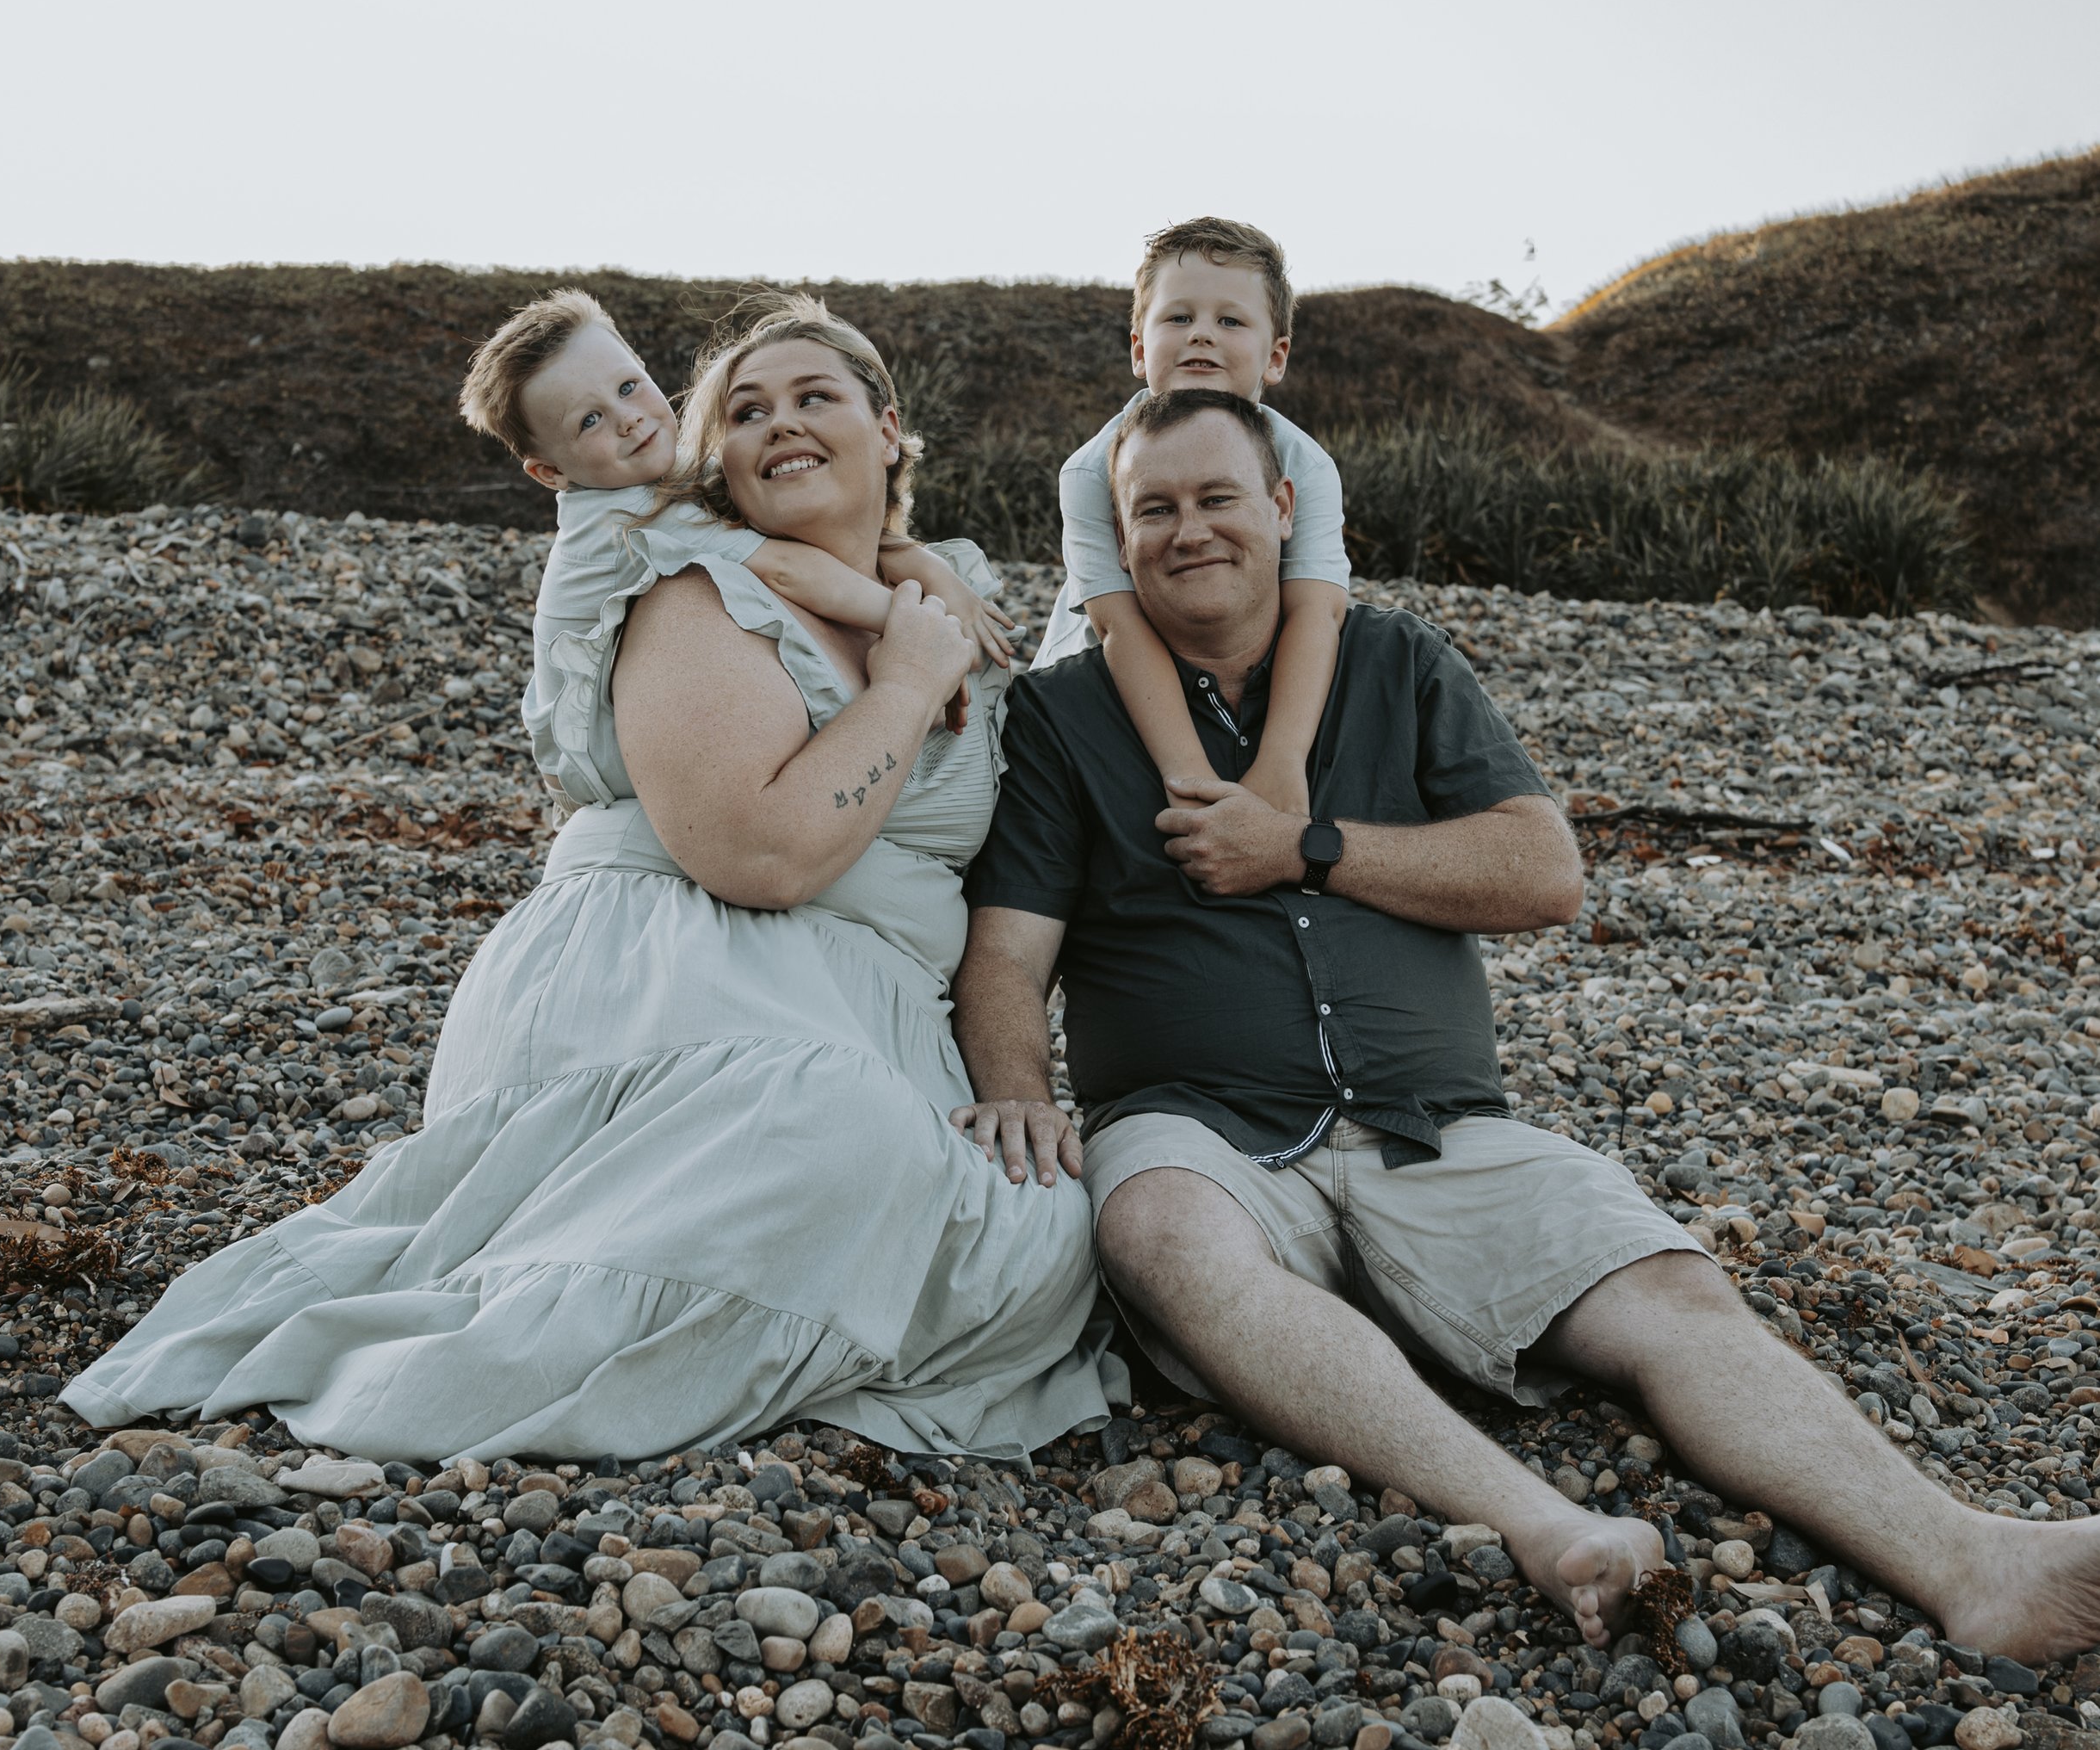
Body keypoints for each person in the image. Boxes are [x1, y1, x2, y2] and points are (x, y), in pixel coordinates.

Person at [952, 382, 2100, 1660]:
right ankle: (1542, 1522)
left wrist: (1310, 847)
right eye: (1153, 509)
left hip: (1433, 1128)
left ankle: (1973, 1557)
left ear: (1281, 508)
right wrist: (1016, 1085)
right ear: (1118, 534)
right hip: (1199, 1129)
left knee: (1668, 1287)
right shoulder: (1062, 717)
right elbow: (1007, 950)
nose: (1188, 530)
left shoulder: (1395, 663)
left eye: (1217, 497)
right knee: (1156, 1228)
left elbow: (1542, 872)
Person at [66, 293, 1114, 1466]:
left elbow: (1008, 902)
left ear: (888, 426)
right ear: (717, 460)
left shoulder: (947, 596)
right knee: (838, 1132)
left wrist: (1018, 1080)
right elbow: (757, 855)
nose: (781, 421)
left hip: (877, 1014)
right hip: (675, 976)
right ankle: (550, 1347)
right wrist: (909, 687)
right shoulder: (691, 589)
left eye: (814, 395)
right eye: (747, 409)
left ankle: (776, 1321)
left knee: (1049, 1226)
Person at [452, 287, 1013, 802]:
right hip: (595, 755)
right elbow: (790, 570)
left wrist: (922, 562)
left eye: (628, 387)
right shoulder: (617, 516)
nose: (628, 420)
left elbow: (778, 515)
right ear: (550, 472)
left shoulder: (654, 474)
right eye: (590, 420)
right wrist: (920, 622)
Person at [1037, 217, 1349, 823]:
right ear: (1138, 348)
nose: (1201, 335)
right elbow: (1118, 628)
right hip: (1107, 673)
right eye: (1178, 318)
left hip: (1233, 670)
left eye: (1230, 321)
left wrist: (1282, 761)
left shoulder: (1306, 466)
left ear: (1275, 356)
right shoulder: (1089, 471)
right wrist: (1191, 778)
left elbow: (1317, 607)